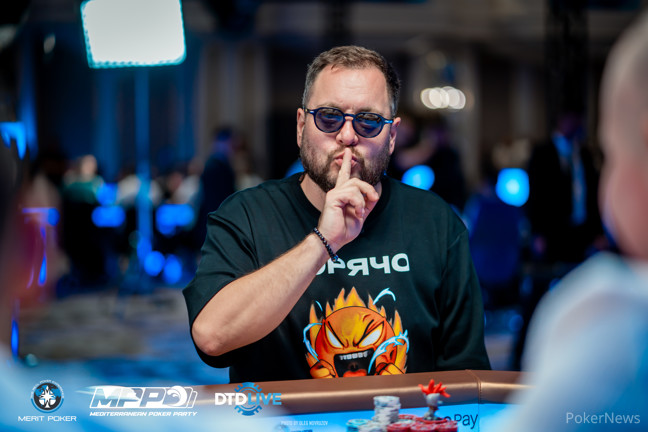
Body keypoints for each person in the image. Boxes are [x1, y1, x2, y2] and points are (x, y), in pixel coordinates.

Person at [184, 45, 491, 383]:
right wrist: (323, 242)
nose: (347, 136)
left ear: (391, 137)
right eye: (329, 117)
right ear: (301, 126)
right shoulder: (246, 215)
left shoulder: (436, 222)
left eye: (369, 121)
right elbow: (213, 338)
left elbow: (468, 377)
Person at [497, 11, 648, 431]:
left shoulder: (620, 317)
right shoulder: (543, 154)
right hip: (552, 237)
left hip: (583, 241)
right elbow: (536, 198)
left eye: (613, 152)